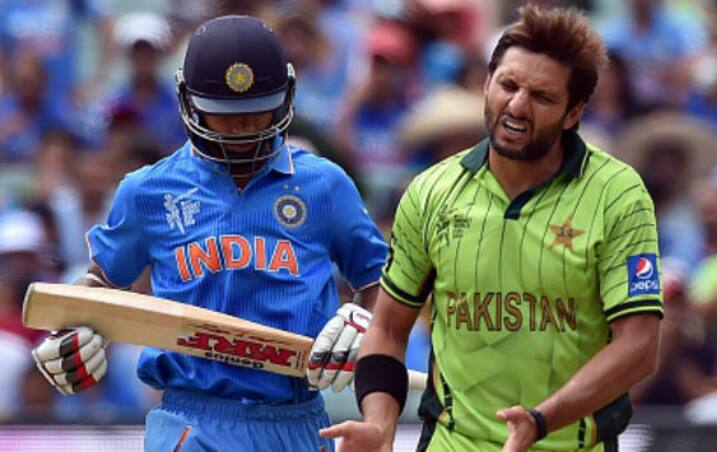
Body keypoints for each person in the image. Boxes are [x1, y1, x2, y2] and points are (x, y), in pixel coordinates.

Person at [29, 15, 387, 452]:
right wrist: (74, 331)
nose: (240, 132)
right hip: (191, 418)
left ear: (286, 98)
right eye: (224, 118)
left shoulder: (324, 185)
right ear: (188, 102)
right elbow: (102, 282)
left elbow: (380, 281)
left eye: (256, 115)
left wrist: (364, 316)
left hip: (296, 420)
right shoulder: (148, 190)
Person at [322, 5, 663, 452]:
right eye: (508, 85)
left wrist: (540, 422)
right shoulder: (431, 192)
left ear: (573, 112)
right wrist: (378, 425)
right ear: (486, 84)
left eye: (542, 97)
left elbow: (640, 347)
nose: (518, 105)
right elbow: (387, 331)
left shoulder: (618, 194)